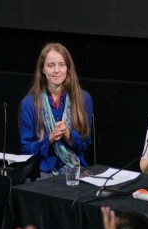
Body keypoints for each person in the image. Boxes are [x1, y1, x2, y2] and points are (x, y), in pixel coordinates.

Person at [19, 43, 94, 175]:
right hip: (43, 171)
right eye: (51, 65)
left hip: (76, 168)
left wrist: (68, 135)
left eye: (61, 65)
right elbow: (26, 150)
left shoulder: (83, 98)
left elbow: (85, 143)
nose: (56, 70)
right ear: (42, 69)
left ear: (68, 68)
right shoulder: (29, 103)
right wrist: (50, 138)